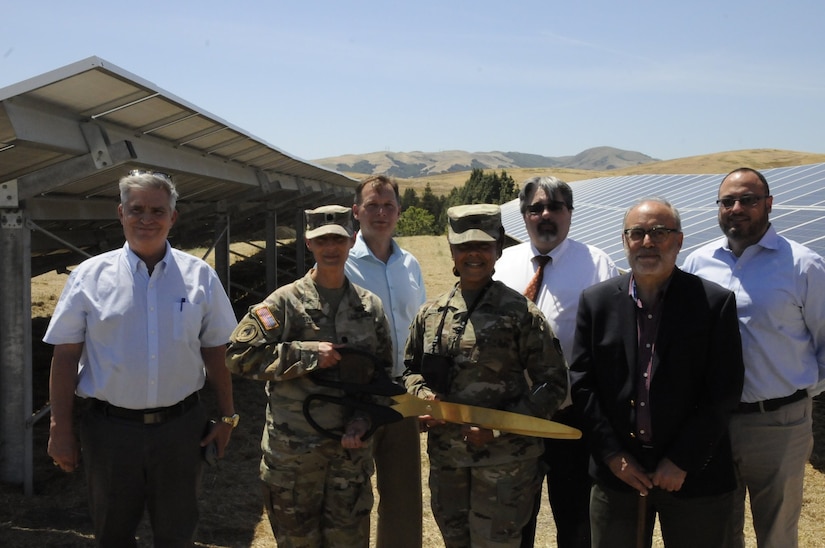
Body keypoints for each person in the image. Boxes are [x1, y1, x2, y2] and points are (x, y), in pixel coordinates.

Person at [44, 170, 239, 547]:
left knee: (177, 532)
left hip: (181, 431)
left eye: (157, 210)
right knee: (112, 533)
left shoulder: (200, 276)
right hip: (110, 433)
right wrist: (59, 428)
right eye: (137, 210)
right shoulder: (89, 277)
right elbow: (66, 356)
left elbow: (216, 351)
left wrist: (228, 416)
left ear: (173, 217)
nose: (146, 219)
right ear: (121, 214)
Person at [569, 197, 744, 548]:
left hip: (693, 477)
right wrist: (613, 456)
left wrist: (681, 460)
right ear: (624, 241)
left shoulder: (713, 303)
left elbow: (723, 390)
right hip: (618, 477)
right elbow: (583, 384)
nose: (647, 242)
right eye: (637, 233)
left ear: (679, 240)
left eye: (659, 232)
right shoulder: (596, 302)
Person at [225, 205, 393, 547]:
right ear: (308, 243)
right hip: (294, 461)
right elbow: (238, 356)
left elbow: (383, 377)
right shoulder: (283, 304)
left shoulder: (370, 307)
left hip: (350, 460)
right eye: (322, 240)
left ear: (352, 240)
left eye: (338, 239)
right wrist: (306, 354)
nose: (330, 247)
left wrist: (364, 421)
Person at [403, 203, 568, 548]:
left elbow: (552, 384)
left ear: (497, 250)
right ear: (452, 251)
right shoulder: (431, 314)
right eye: (464, 247)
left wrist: (498, 425)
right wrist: (421, 396)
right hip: (448, 462)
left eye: (483, 246)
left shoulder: (522, 315)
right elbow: (410, 370)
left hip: (506, 467)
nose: (473, 255)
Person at [682, 167, 825, 548]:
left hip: (778, 424)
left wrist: (794, 396)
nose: (737, 208)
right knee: (718, 530)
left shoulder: (803, 265)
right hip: (715, 424)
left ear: (769, 204)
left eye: (748, 199)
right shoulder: (697, 264)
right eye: (727, 201)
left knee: (776, 532)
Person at [494, 175, 618, 548]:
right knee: (514, 520)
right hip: (515, 418)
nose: (545, 215)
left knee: (577, 520)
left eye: (555, 207)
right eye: (536, 208)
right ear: (523, 215)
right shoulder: (502, 264)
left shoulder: (597, 265)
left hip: (573, 417)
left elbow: (611, 344)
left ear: (570, 213)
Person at [344, 175, 426, 548]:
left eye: (388, 206)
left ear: (398, 212)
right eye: (372, 206)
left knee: (403, 495)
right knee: (351, 494)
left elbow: (420, 328)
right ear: (356, 212)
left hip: (402, 393)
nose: (380, 213)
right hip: (353, 396)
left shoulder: (409, 265)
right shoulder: (341, 262)